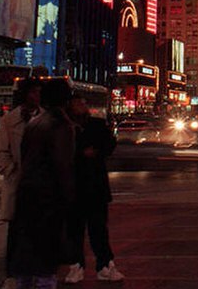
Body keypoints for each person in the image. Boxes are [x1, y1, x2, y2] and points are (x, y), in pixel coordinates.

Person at [8, 77, 77, 289]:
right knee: (47, 261)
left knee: (28, 258)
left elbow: (24, 157)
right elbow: (63, 165)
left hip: (27, 195)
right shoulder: (61, 125)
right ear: (65, 100)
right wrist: (69, 199)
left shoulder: (34, 123)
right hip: (49, 199)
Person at [65, 93, 122, 283]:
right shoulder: (66, 127)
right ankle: (76, 266)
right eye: (78, 103)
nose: (82, 106)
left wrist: (95, 151)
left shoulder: (96, 124)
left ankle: (105, 265)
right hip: (75, 187)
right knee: (75, 231)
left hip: (95, 186)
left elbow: (110, 144)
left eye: (83, 103)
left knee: (98, 230)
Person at [0, 79, 43, 289]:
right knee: (16, 233)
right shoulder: (9, 121)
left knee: (39, 232)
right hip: (19, 184)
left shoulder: (46, 119)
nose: (37, 96)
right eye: (33, 92)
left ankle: (36, 272)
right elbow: (1, 154)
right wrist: (11, 171)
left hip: (41, 184)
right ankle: (12, 274)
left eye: (38, 92)